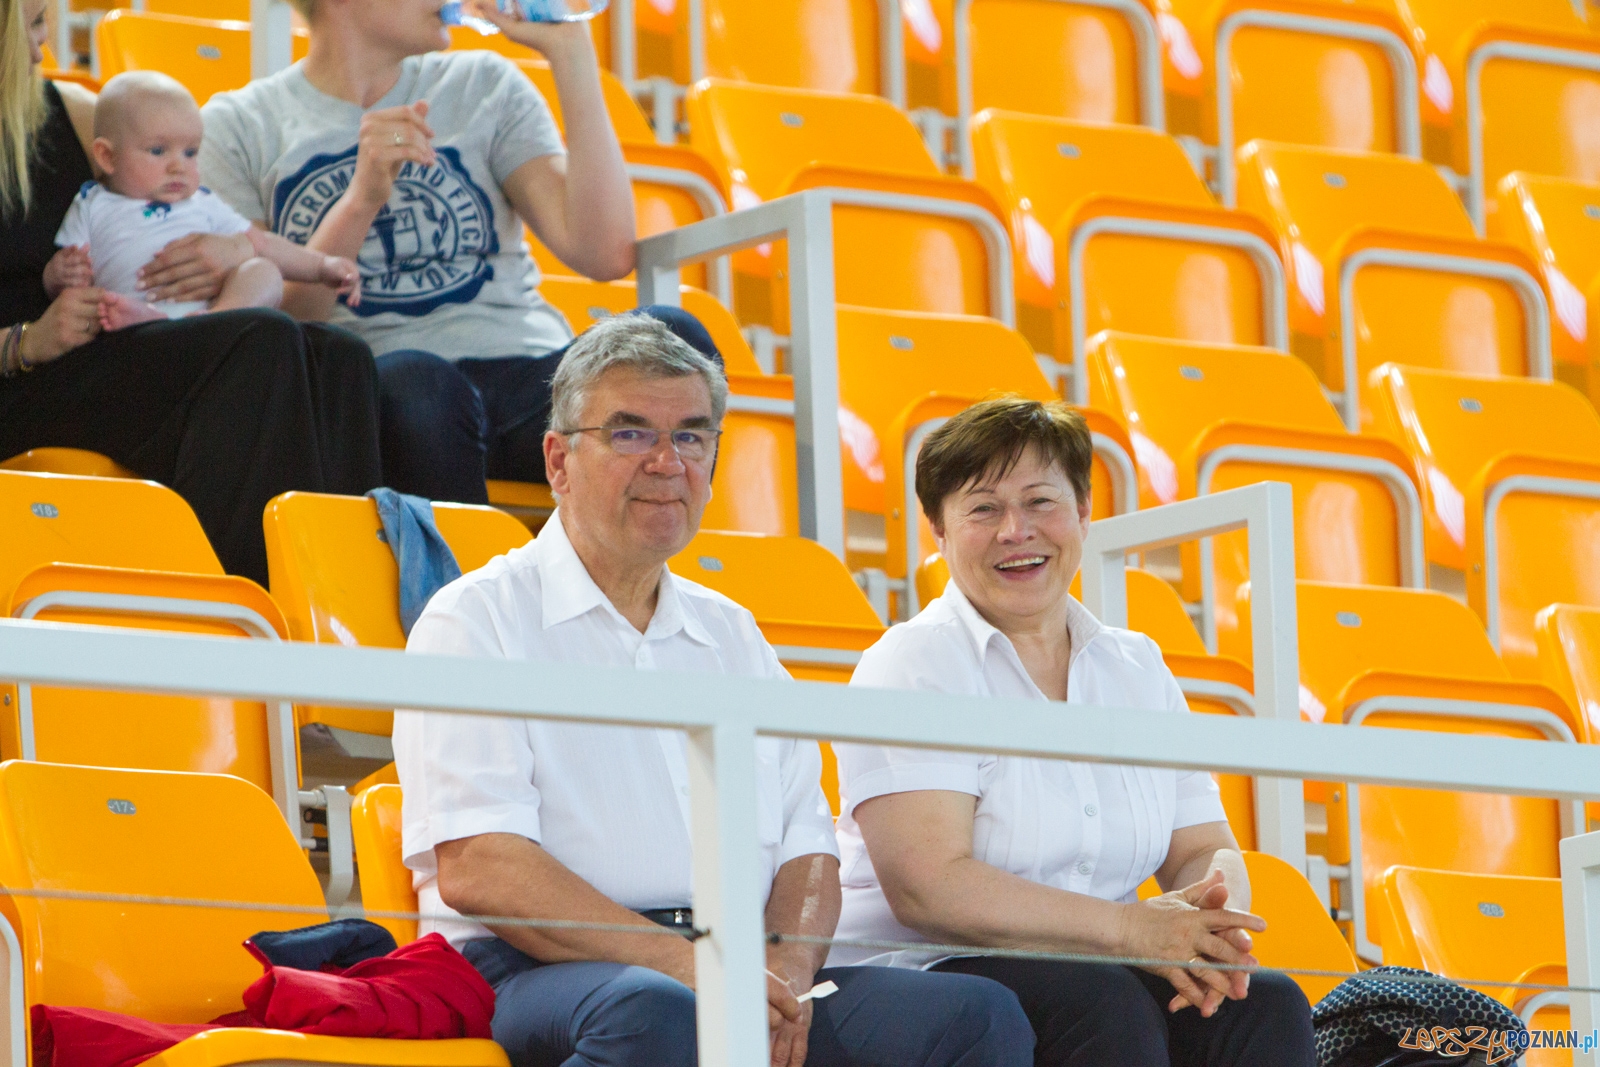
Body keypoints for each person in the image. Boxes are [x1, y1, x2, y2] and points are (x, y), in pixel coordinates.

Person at [392, 315, 1034, 1067]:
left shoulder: (731, 634)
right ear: (558, 461)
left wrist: (785, 970)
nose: (668, 462)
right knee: (656, 1015)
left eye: (692, 436)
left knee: (976, 1015)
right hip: (532, 967)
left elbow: (808, 847)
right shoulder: (477, 618)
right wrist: (698, 970)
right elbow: (483, 867)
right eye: (630, 433)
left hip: (734, 963)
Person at [829, 397, 1317, 1067]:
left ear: (1084, 511)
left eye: (1040, 502)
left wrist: (1207, 920)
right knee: (1102, 1001)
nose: (1015, 530)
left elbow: (1205, 846)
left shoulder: (1136, 665)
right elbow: (929, 887)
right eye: (983, 509)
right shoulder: (913, 661)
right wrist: (1131, 929)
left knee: (1265, 1003)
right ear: (938, 529)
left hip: (1101, 962)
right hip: (932, 970)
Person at [199, 0, 684, 506]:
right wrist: (362, 199)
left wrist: (572, 52)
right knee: (419, 384)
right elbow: (273, 332)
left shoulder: (483, 83)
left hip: (530, 382)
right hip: (386, 391)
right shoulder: (236, 127)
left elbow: (603, 254)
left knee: (669, 342)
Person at [0, 0, 382, 587]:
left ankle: (341, 600)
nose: (42, 46)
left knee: (338, 358)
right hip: (22, 380)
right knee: (258, 341)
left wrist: (217, 255)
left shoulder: (72, 115)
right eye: (29, 26)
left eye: (43, 22)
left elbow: (168, 213)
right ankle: (240, 605)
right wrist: (26, 342)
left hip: (104, 345)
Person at [51, 71, 362, 330]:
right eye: (158, 151)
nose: (178, 166)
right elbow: (64, 281)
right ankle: (155, 320)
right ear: (108, 156)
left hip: (204, 318)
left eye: (190, 152)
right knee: (100, 306)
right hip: (131, 323)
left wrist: (322, 265)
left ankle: (217, 320)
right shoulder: (92, 204)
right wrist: (57, 275)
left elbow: (263, 244)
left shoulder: (202, 202)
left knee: (264, 271)